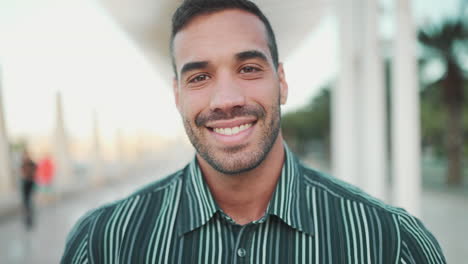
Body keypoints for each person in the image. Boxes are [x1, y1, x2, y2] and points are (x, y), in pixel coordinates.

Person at [62, 0, 446, 263]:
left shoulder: (391, 242)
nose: (226, 99)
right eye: (199, 76)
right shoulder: (105, 242)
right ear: (177, 96)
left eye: (248, 69)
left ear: (281, 81)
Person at [20, 150, 37, 230]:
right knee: (26, 201)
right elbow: (21, 171)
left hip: (30, 182)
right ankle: (27, 217)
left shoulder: (31, 163)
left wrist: (31, 175)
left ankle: (30, 217)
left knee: (29, 201)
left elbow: (36, 168)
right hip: (25, 182)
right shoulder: (24, 163)